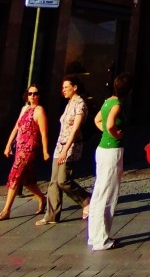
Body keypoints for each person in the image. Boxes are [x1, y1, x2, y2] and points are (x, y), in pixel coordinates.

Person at [36, 76, 90, 226]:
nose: (63, 90)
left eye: (66, 87)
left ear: (75, 87)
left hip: (71, 147)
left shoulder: (80, 105)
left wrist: (65, 150)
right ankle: (51, 215)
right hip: (60, 145)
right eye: (63, 88)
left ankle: (86, 199)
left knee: (63, 180)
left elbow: (75, 129)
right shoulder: (69, 104)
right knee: (53, 181)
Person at [87, 73, 132, 251]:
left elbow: (97, 119)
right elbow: (110, 124)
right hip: (112, 150)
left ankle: (94, 235)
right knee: (108, 193)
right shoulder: (118, 105)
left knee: (99, 192)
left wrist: (105, 133)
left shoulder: (107, 101)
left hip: (102, 149)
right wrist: (115, 134)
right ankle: (102, 239)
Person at [1, 84, 48, 219]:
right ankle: (42, 198)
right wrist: (8, 145)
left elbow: (44, 133)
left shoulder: (40, 111)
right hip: (20, 147)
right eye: (30, 93)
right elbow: (16, 127)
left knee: (15, 175)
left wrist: (45, 151)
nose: (32, 96)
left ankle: (6, 210)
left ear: (39, 96)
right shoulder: (25, 109)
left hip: (29, 148)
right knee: (26, 179)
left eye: (35, 93)